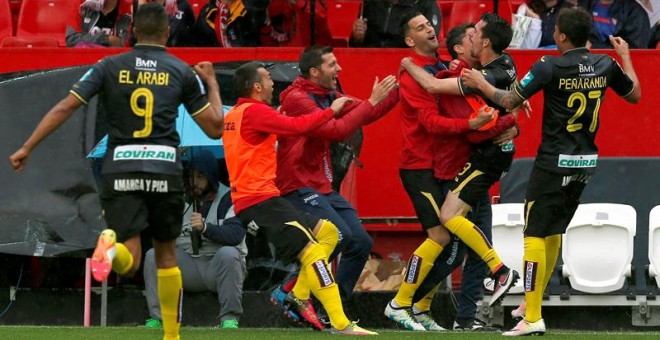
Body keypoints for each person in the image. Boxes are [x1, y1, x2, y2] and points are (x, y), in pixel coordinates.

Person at [9, 4, 225, 340]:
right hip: (163, 168)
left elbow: (67, 105)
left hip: (120, 167)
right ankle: (172, 335)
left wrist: (28, 146)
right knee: (166, 255)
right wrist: (211, 82)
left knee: (131, 258)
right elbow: (214, 129)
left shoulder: (108, 65)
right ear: (168, 32)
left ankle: (110, 248)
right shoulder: (181, 71)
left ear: (133, 31)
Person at [461, 7, 641, 336]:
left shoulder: (549, 65)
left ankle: (532, 317)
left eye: (555, 29)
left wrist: (478, 83)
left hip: (553, 162)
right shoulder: (605, 64)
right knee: (553, 231)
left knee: (533, 235)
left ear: (560, 36)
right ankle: (534, 302)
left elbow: (508, 99)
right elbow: (635, 95)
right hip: (585, 163)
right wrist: (625, 56)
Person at [222, 61, 377, 335]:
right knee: (314, 251)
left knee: (331, 233)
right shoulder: (256, 112)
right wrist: (331, 110)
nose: (273, 83)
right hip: (260, 202)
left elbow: (261, 135)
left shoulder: (236, 113)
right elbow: (300, 126)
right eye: (268, 79)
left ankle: (298, 293)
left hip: (261, 198)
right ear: (257, 86)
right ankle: (341, 324)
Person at [396, 11, 522, 323]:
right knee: (450, 239)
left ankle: (433, 308)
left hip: (475, 161)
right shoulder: (468, 72)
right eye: (469, 36)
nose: (473, 37)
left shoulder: (471, 76)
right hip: (445, 166)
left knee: (452, 235)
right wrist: (509, 116)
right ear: (460, 50)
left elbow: (489, 113)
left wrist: (508, 118)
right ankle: (417, 306)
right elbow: (437, 117)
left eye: (476, 34)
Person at [271, 45, 398, 326]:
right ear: (314, 71)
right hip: (297, 185)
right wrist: (371, 101)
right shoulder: (296, 99)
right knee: (337, 235)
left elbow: (366, 114)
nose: (339, 69)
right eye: (332, 65)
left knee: (360, 242)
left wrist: (402, 90)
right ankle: (291, 290)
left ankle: (330, 308)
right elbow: (337, 130)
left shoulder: (327, 96)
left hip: (321, 186)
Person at [143, 150, 247, 330]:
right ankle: (158, 318)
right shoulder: (181, 200)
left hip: (219, 269)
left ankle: (229, 319)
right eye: (191, 176)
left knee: (229, 254)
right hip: (189, 266)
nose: (195, 182)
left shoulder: (229, 198)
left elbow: (236, 234)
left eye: (200, 176)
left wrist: (206, 228)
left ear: (211, 176)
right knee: (154, 255)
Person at [349, 0, 441, 48]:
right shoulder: (371, 2)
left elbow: (430, 43)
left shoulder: (426, 3)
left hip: (408, 61)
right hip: (370, 60)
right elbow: (357, 43)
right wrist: (357, 38)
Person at [191, 0, 269, 47]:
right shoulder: (207, 13)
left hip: (247, 63)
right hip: (217, 65)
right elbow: (200, 45)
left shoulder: (251, 6)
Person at [578, 0, 650, 49]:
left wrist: (593, 48)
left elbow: (636, 50)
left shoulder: (636, 13)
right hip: (585, 64)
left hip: (617, 67)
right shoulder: (584, 6)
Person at [66, 0, 133, 47]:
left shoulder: (127, 11)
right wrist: (106, 39)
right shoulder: (82, 5)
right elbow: (72, 39)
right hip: (85, 60)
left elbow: (124, 44)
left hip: (113, 62)